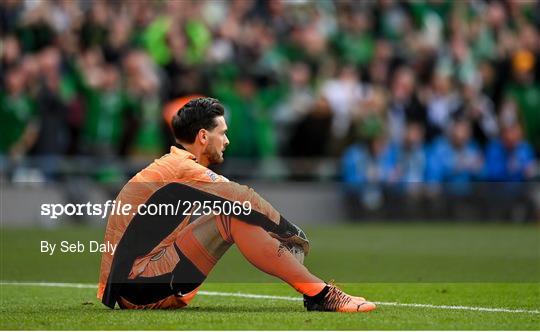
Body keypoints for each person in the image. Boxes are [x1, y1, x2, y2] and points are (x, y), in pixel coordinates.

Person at [97, 97, 376, 312]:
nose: (227, 140)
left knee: (229, 213)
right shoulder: (182, 169)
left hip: (136, 282)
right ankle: (321, 295)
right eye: (223, 133)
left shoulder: (174, 165)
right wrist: (290, 231)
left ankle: (317, 293)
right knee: (234, 216)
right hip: (139, 287)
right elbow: (243, 198)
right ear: (203, 137)